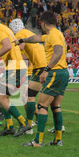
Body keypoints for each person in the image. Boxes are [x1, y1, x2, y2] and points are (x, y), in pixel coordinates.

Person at [14, 11, 69, 147]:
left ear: (43, 23)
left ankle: (38, 141)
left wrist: (46, 70)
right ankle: (57, 139)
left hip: (55, 72)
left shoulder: (54, 35)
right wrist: (22, 40)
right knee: (55, 106)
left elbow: (58, 52)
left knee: (41, 105)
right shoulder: (55, 34)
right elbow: (37, 38)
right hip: (63, 72)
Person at [0, 9, 31, 138]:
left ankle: (23, 123)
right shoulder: (3, 28)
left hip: (15, 67)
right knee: (2, 97)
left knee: (0, 97)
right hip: (13, 66)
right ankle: (9, 126)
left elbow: (7, 46)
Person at [9, 18, 48, 136]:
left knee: (29, 96)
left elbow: (21, 47)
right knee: (47, 99)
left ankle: (29, 127)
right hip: (44, 64)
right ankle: (57, 127)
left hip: (40, 67)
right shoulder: (28, 32)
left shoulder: (20, 34)